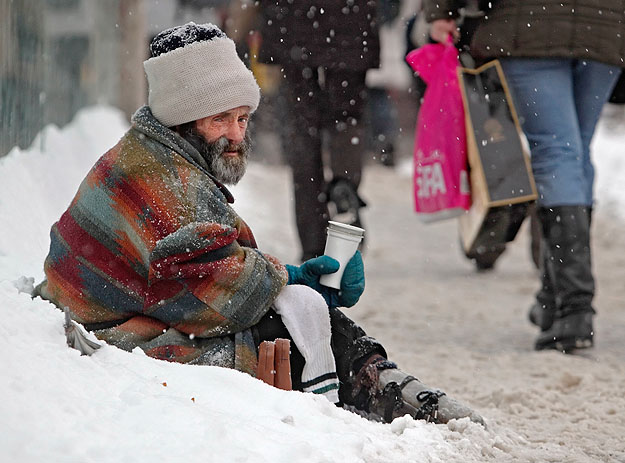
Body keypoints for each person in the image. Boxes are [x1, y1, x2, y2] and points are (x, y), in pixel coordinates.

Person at [35, 23, 483, 425]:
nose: (236, 134)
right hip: (117, 334)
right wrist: (295, 282)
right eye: (219, 120)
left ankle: (379, 381)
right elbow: (217, 296)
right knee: (286, 323)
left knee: (291, 305)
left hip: (119, 312)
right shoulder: (166, 181)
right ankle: (376, 385)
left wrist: (288, 278)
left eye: (242, 118)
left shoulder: (152, 151)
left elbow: (207, 271)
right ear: (183, 118)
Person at [422, 0, 624, 351]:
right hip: (605, 25)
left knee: (556, 151)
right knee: (574, 151)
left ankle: (574, 308)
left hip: (529, 24)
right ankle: (554, 301)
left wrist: (443, 10)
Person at [256, 1, 379, 261]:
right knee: (347, 115)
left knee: (301, 127)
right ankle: (344, 187)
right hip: (350, 20)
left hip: (292, 21)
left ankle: (312, 240)